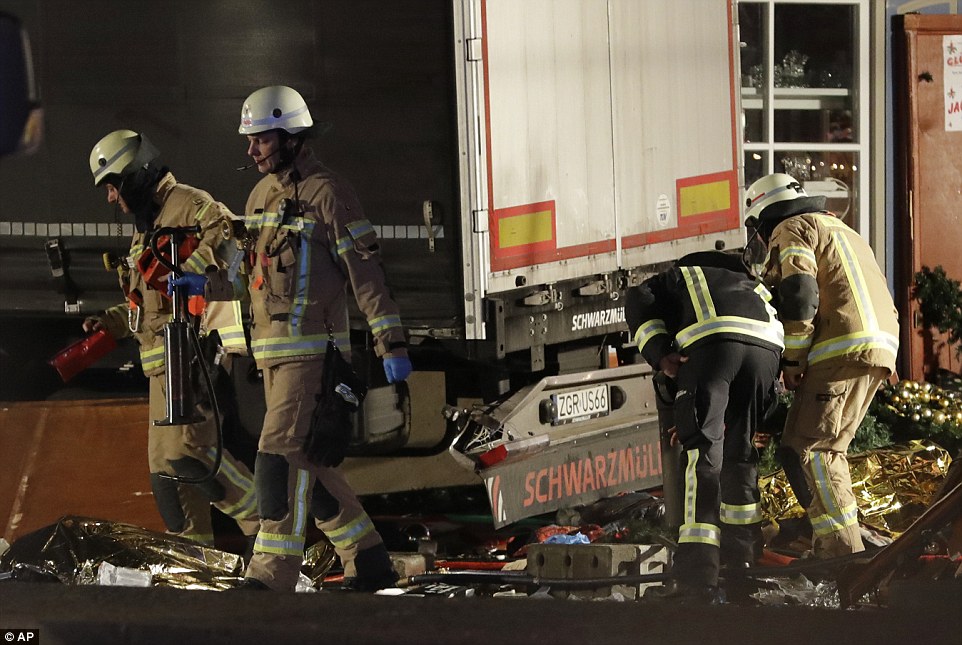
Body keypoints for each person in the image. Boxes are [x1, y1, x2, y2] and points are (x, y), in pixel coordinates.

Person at [184, 85, 412, 592]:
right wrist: (209, 285)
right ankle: (368, 557)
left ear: (289, 136)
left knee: (277, 458)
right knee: (311, 465)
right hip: (271, 358)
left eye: (260, 140)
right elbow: (250, 278)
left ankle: (271, 573)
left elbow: (366, 272)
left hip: (314, 356)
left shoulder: (329, 193)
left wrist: (390, 344)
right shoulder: (260, 197)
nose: (251, 151)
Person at [84, 129, 260, 547]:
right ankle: (196, 565)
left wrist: (195, 274)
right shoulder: (149, 225)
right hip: (161, 368)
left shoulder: (191, 205)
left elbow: (233, 244)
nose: (111, 198)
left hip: (190, 358)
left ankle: (270, 523)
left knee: (191, 455)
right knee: (167, 476)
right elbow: (147, 302)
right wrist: (109, 322)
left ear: (136, 176)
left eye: (113, 186)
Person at [744, 172, 899, 558]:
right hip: (876, 344)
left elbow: (800, 294)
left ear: (763, 216)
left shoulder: (792, 226)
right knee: (798, 446)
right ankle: (830, 541)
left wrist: (793, 359)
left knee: (817, 449)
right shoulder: (839, 228)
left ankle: (843, 554)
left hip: (840, 349)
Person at [626, 250, 783, 603]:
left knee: (703, 457)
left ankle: (699, 576)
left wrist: (659, 352)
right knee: (740, 455)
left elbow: (637, 298)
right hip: (766, 352)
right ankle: (742, 565)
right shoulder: (751, 284)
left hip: (714, 347)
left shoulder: (680, 277)